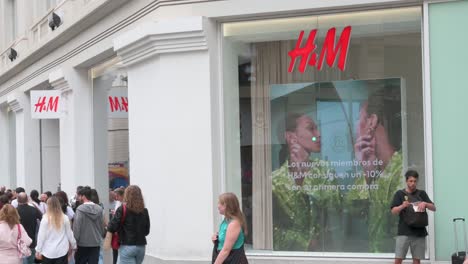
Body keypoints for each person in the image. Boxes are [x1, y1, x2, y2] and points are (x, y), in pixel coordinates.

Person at [272, 113, 340, 251]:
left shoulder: (325, 170)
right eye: (311, 129)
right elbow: (270, 227)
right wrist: (304, 241)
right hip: (287, 255)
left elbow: (335, 209)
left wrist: (306, 173)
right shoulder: (275, 180)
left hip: (324, 252)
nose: (318, 134)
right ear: (291, 137)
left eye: (317, 128)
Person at [348, 94, 405, 252]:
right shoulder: (375, 171)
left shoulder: (403, 169)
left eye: (358, 119)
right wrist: (366, 171)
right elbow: (353, 211)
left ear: (371, 121)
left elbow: (396, 222)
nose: (355, 128)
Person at [390, 170, 436, 264]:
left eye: (415, 181)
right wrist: (402, 206)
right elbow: (393, 211)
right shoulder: (400, 194)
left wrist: (425, 203)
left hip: (419, 232)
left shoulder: (422, 193)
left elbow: (434, 208)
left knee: (417, 260)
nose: (413, 183)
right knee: (398, 259)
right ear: (406, 181)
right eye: (411, 181)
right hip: (404, 231)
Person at [107, 185, 150, 264]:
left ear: (126, 195)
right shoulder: (144, 211)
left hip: (127, 246)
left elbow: (112, 226)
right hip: (141, 247)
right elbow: (146, 231)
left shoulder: (122, 209)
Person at [35, 196, 77, 264]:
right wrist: (74, 245)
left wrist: (38, 250)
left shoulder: (45, 219)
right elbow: (70, 234)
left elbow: (41, 236)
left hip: (47, 252)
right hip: (62, 251)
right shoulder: (65, 218)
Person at [211, 192, 248, 264]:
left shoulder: (234, 224)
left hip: (233, 260)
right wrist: (216, 239)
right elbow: (223, 243)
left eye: (220, 203)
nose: (218, 206)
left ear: (226, 206)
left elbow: (226, 250)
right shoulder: (226, 221)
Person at [73, 187, 105, 264]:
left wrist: (75, 241)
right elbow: (101, 226)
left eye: (80, 196)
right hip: (95, 242)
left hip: (82, 243)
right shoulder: (99, 209)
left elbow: (77, 227)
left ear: (83, 196)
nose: (79, 198)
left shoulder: (80, 209)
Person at [16, 193, 42, 264]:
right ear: (27, 199)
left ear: (17, 200)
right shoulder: (33, 209)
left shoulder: (15, 211)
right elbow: (41, 217)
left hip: (19, 242)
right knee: (32, 260)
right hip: (32, 240)